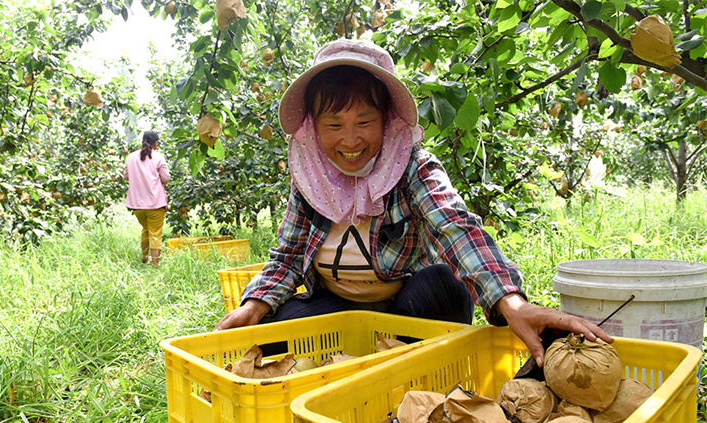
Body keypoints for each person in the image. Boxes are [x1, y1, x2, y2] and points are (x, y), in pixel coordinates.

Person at [215, 39, 611, 366]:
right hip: (339, 305)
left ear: (387, 120)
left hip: (406, 302)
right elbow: (287, 255)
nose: (349, 141)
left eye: (364, 122)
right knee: (271, 333)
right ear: (313, 128)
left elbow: (454, 225)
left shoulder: (410, 166)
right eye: (334, 125)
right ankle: (359, 360)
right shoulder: (309, 176)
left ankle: (408, 363)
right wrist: (255, 304)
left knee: (444, 287)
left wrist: (511, 301)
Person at [123, 131, 170, 267]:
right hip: (154, 203)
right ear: (155, 143)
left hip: (137, 205)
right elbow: (166, 178)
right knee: (155, 233)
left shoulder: (131, 157)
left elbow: (126, 176)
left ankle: (145, 258)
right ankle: (155, 264)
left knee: (146, 230)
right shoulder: (158, 157)